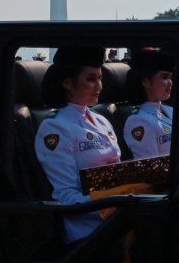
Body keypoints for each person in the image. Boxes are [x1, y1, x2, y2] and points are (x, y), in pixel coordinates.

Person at [34, 47, 120, 243]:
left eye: (100, 78)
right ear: (67, 83)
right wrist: (117, 203)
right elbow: (66, 197)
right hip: (89, 232)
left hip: (119, 219)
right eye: (91, 79)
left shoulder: (102, 121)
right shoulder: (55, 127)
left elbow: (118, 175)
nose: (98, 85)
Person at [123, 50, 176, 160]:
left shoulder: (171, 111)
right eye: (165, 77)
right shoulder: (139, 121)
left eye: (170, 77)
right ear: (146, 82)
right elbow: (152, 167)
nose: (170, 83)